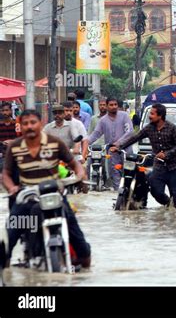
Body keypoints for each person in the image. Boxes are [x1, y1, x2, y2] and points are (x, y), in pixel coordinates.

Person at [0, 109, 91, 269]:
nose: (29, 126)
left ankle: (84, 264)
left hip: (54, 196)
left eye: (33, 122)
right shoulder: (14, 147)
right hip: (27, 198)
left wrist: (79, 175)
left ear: (40, 124)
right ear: (20, 126)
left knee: (81, 244)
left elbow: (74, 163)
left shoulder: (55, 143)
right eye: (25, 123)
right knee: (8, 238)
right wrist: (12, 187)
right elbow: (6, 174)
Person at [110, 103, 176, 209]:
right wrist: (119, 146)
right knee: (156, 191)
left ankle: (175, 209)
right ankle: (167, 204)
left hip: (174, 167)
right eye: (150, 113)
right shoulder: (149, 128)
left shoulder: (172, 128)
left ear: (160, 116)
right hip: (159, 166)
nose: (150, 116)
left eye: (152, 114)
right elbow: (135, 137)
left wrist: (166, 154)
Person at [87, 97, 134, 190]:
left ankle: (130, 193)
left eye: (115, 105)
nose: (114, 107)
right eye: (111, 105)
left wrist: (119, 143)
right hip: (112, 150)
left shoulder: (124, 116)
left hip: (126, 148)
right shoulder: (103, 120)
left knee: (129, 172)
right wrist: (85, 144)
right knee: (114, 172)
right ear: (107, 106)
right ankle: (118, 196)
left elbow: (129, 132)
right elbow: (96, 134)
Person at [0, 102, 18, 174]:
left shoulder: (16, 124)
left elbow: (22, 138)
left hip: (14, 153)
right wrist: (2, 142)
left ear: (11, 111)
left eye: (7, 110)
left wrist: (12, 141)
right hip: (2, 154)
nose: (5, 112)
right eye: (3, 110)